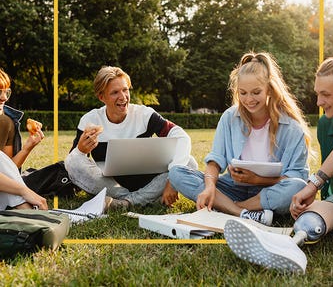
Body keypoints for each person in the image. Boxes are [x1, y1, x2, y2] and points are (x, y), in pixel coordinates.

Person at [224, 54, 333, 273]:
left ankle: (288, 244)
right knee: (311, 217)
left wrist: (313, 184)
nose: (319, 102)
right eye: (317, 94)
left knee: (320, 206)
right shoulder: (326, 123)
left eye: (325, 95)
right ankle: (288, 245)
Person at [169, 52, 311, 226]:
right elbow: (215, 160)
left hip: (270, 191)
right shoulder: (229, 117)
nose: (249, 100)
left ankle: (231, 208)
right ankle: (242, 213)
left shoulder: (291, 128)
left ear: (269, 89)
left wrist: (257, 180)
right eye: (243, 93)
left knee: (298, 186)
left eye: (256, 92)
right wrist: (209, 187)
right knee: (176, 173)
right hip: (232, 188)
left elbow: (297, 178)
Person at [64, 66, 197, 209]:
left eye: (125, 89)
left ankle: (126, 203)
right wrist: (81, 150)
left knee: (189, 163)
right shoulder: (89, 120)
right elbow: (74, 163)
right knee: (73, 161)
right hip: (112, 185)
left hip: (149, 181)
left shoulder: (145, 114)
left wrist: (173, 180)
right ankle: (146, 198)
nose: (123, 97)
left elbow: (181, 136)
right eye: (115, 92)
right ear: (101, 97)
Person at [0, 68, 47, 210]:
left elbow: (7, 170)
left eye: (6, 92)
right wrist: (25, 191)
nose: (4, 98)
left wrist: (28, 147)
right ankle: (29, 214)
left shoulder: (5, 123)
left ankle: (28, 215)